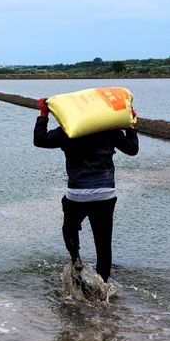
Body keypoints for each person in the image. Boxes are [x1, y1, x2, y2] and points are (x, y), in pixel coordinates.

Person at [33, 98, 138, 283]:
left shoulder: (69, 130)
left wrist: (43, 114)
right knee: (103, 243)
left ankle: (76, 261)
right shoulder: (109, 130)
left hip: (77, 195)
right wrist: (131, 125)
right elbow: (132, 149)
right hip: (105, 194)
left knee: (69, 228)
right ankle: (103, 287)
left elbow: (39, 140)